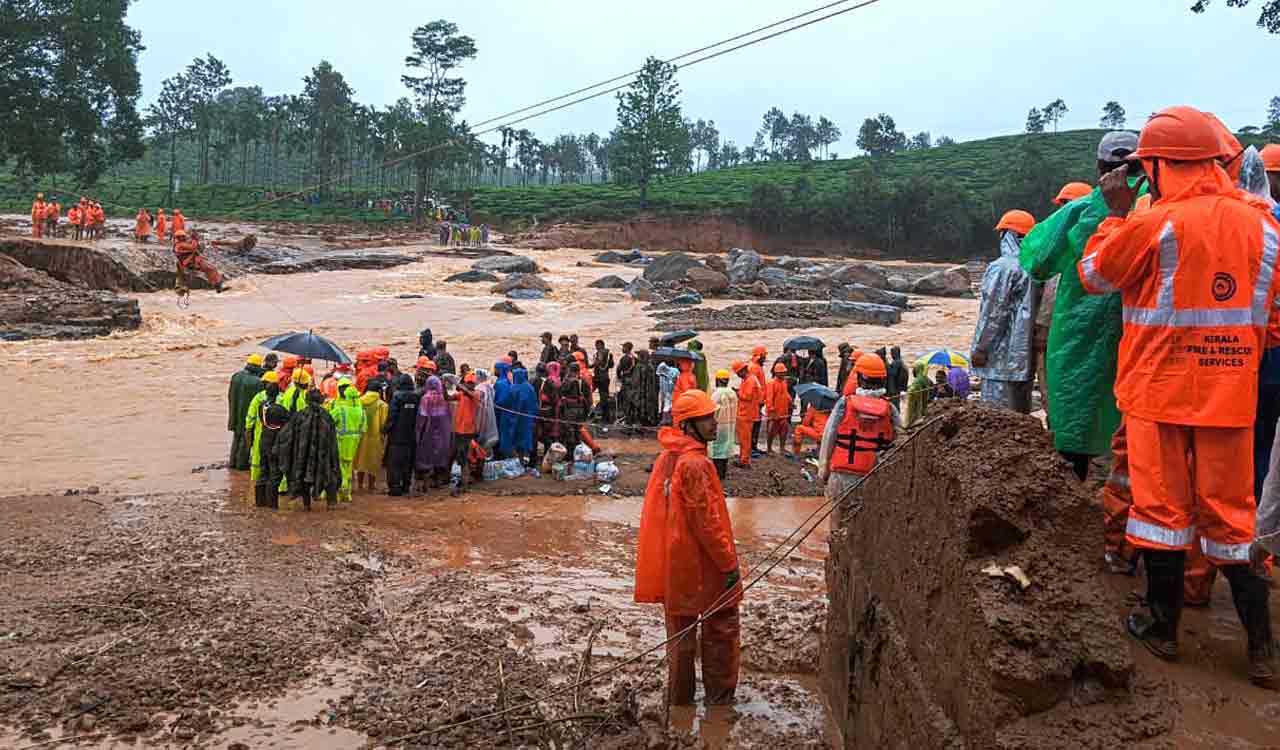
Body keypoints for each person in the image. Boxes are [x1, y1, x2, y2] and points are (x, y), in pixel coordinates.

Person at [1077, 106, 1278, 689]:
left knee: (1161, 514)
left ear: (1164, 164)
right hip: (1229, 392)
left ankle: (1162, 629)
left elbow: (1095, 274)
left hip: (1156, 390)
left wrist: (1116, 216)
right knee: (1233, 518)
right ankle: (1261, 651)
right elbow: (1271, 318)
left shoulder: (1152, 222)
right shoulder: (1264, 225)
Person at [1020, 132, 1138, 486]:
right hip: (1140, 341)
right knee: (1133, 438)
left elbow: (1037, 261)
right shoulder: (1160, 207)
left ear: (1100, 167)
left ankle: (1074, 511)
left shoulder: (1081, 211)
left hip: (1078, 340)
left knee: (1073, 427)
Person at [635, 389, 743, 707]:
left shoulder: (668, 457)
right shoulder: (696, 465)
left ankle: (680, 704)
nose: (714, 424)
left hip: (675, 561)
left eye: (712, 416)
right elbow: (708, 523)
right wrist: (728, 565)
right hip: (703, 563)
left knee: (680, 638)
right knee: (722, 630)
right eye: (706, 419)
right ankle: (720, 704)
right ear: (688, 426)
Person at [971, 210, 1039, 413]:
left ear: (1007, 235)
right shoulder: (1036, 266)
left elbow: (993, 312)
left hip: (999, 361)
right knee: (1020, 417)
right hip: (1025, 359)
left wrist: (981, 348)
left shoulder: (1002, 268)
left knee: (996, 422)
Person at [818, 354, 898, 504]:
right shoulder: (890, 409)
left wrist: (824, 468)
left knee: (838, 523)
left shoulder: (844, 404)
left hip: (842, 474)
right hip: (874, 476)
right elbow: (899, 439)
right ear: (883, 379)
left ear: (859, 378)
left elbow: (829, 435)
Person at [276, 389, 342, 511]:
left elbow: (287, 435)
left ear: (306, 400)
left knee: (303, 478)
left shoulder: (299, 416)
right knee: (329, 476)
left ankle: (307, 506)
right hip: (323, 456)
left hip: (303, 456)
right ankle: (331, 504)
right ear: (321, 400)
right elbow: (332, 440)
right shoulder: (327, 417)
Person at [329, 379, 367, 502]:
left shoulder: (340, 409)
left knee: (339, 468)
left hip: (340, 441)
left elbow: (329, 420)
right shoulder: (361, 410)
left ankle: (342, 490)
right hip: (354, 443)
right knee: (348, 468)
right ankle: (347, 494)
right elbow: (364, 428)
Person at [414, 376, 454, 490]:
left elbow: (422, 416)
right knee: (440, 454)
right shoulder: (442, 398)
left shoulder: (425, 398)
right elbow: (448, 416)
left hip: (428, 431)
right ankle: (437, 480)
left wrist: (418, 432)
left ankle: (426, 482)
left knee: (426, 455)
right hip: (442, 432)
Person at [228, 354, 267, 471]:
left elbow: (230, 395)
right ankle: (241, 464)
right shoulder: (257, 382)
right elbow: (259, 400)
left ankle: (232, 462)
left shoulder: (236, 376)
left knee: (236, 438)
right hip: (247, 415)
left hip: (235, 412)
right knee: (246, 441)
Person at [383, 375, 420, 496]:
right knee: (408, 462)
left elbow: (392, 416)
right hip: (411, 435)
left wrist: (385, 429)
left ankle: (395, 487)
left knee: (395, 462)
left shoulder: (397, 396)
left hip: (397, 436)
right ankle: (406, 485)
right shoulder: (416, 396)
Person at [246, 371, 281, 494]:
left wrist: (248, 430)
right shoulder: (281, 398)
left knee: (258, 460)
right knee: (275, 464)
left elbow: (250, 416)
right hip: (276, 436)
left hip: (260, 434)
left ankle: (255, 487)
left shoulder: (258, 398)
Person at [449, 373, 482, 495]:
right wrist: (442, 385)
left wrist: (457, 383)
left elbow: (469, 393)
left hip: (468, 431)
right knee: (460, 457)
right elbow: (448, 397)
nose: (470, 385)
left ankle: (465, 484)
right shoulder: (461, 394)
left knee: (464, 457)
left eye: (471, 383)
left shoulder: (476, 394)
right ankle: (464, 482)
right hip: (458, 429)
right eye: (468, 382)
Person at [255, 396, 290, 510]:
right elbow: (288, 422)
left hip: (264, 440)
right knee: (275, 474)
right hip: (274, 442)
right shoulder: (279, 409)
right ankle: (272, 504)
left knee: (263, 470)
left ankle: (260, 502)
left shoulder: (262, 407)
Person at [354, 382, 389, 493]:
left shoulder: (358, 401)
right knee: (373, 461)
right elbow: (383, 423)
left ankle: (359, 485)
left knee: (360, 460)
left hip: (360, 436)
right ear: (379, 391)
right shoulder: (382, 405)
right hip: (375, 437)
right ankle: (371, 486)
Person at [173, 229, 226, 294]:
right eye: (182, 236)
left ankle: (217, 286)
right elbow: (193, 247)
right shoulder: (180, 245)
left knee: (212, 269)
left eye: (183, 236)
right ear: (178, 237)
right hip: (191, 263)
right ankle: (217, 286)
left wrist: (195, 240)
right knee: (210, 269)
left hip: (193, 261)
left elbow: (196, 248)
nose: (184, 237)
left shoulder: (182, 244)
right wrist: (194, 239)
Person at [709, 370, 739, 480]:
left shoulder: (717, 394)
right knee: (725, 449)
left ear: (717, 380)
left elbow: (711, 409)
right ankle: (722, 473)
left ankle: (717, 474)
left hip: (719, 424)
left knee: (717, 450)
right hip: (730, 424)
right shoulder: (732, 393)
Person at [733, 361, 762, 468]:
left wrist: (737, 393)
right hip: (747, 412)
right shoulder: (749, 379)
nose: (737, 375)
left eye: (737, 373)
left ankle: (744, 461)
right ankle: (743, 458)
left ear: (742, 370)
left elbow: (747, 396)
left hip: (747, 413)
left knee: (745, 439)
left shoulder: (750, 380)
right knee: (744, 438)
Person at [559, 363, 593, 456]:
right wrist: (587, 412)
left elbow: (560, 393)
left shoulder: (567, 381)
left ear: (570, 370)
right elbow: (589, 398)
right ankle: (578, 452)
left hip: (570, 410)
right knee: (578, 430)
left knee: (569, 431)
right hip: (581, 410)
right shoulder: (583, 382)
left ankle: (570, 454)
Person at [533, 363, 560, 466]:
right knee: (546, 435)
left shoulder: (533, 381)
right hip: (547, 412)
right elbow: (555, 399)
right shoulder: (550, 382)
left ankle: (533, 458)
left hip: (536, 412)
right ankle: (546, 458)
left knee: (535, 435)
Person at [509, 368, 538, 464]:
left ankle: (520, 458)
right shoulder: (529, 387)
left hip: (517, 417)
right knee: (526, 437)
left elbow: (511, 402)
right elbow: (534, 403)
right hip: (528, 417)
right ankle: (527, 458)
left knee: (517, 437)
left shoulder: (514, 388)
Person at [765, 362, 793, 455]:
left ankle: (782, 448)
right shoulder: (771, 383)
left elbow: (786, 394)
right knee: (771, 431)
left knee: (784, 430)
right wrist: (772, 411)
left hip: (783, 411)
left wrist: (791, 402)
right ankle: (769, 449)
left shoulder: (784, 382)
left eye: (784, 372)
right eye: (781, 372)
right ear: (776, 373)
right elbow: (769, 398)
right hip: (774, 412)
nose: (783, 374)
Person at [748, 346, 768, 457]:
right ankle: (751, 447)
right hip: (755, 402)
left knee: (756, 423)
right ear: (759, 356)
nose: (765, 359)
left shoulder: (756, 367)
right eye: (764, 356)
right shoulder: (754, 368)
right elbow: (754, 387)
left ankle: (753, 447)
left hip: (758, 401)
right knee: (754, 424)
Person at [492, 361, 514, 457]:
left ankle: (502, 454)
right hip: (503, 412)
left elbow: (503, 400)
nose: (494, 371)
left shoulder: (502, 383)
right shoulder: (505, 381)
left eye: (496, 369)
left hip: (502, 413)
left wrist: (494, 404)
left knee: (502, 433)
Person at [591, 340, 615, 423]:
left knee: (603, 398)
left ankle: (605, 418)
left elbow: (597, 363)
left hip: (600, 378)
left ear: (601, 345)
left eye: (597, 345)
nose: (596, 347)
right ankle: (606, 417)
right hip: (603, 377)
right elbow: (611, 365)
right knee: (604, 398)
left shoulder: (602, 352)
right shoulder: (608, 354)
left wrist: (588, 365)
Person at [903, 361, 932, 428]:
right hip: (924, 401)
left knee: (914, 410)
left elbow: (913, 390)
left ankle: (910, 423)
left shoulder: (918, 380)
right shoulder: (925, 378)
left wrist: (908, 390)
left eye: (915, 368)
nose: (914, 370)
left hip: (917, 400)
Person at [616, 342, 637, 422]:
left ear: (627, 348)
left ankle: (627, 419)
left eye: (623, 347)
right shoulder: (634, 358)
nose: (622, 349)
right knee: (632, 400)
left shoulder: (624, 358)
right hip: (633, 381)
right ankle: (631, 418)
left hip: (626, 381)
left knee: (626, 401)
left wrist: (620, 378)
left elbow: (619, 370)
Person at [885, 347, 908, 412]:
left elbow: (892, 373)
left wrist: (887, 365)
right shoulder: (901, 361)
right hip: (899, 388)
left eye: (892, 353)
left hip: (894, 389)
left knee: (894, 407)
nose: (891, 355)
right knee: (896, 406)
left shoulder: (896, 362)